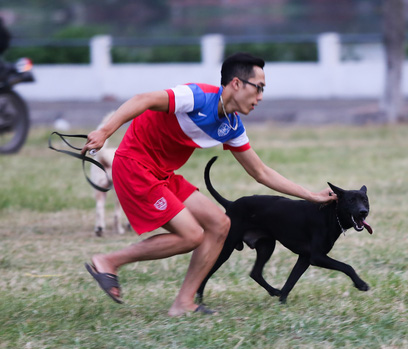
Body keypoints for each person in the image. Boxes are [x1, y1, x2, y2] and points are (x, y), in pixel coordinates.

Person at [82, 52, 336, 316]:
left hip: (163, 174)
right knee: (191, 235)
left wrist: (311, 196)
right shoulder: (196, 97)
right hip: (135, 167)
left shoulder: (232, 125)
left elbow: (260, 172)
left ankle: (183, 303)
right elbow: (143, 100)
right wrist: (104, 131)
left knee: (220, 223)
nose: (260, 97)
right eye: (258, 88)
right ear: (236, 84)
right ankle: (108, 262)